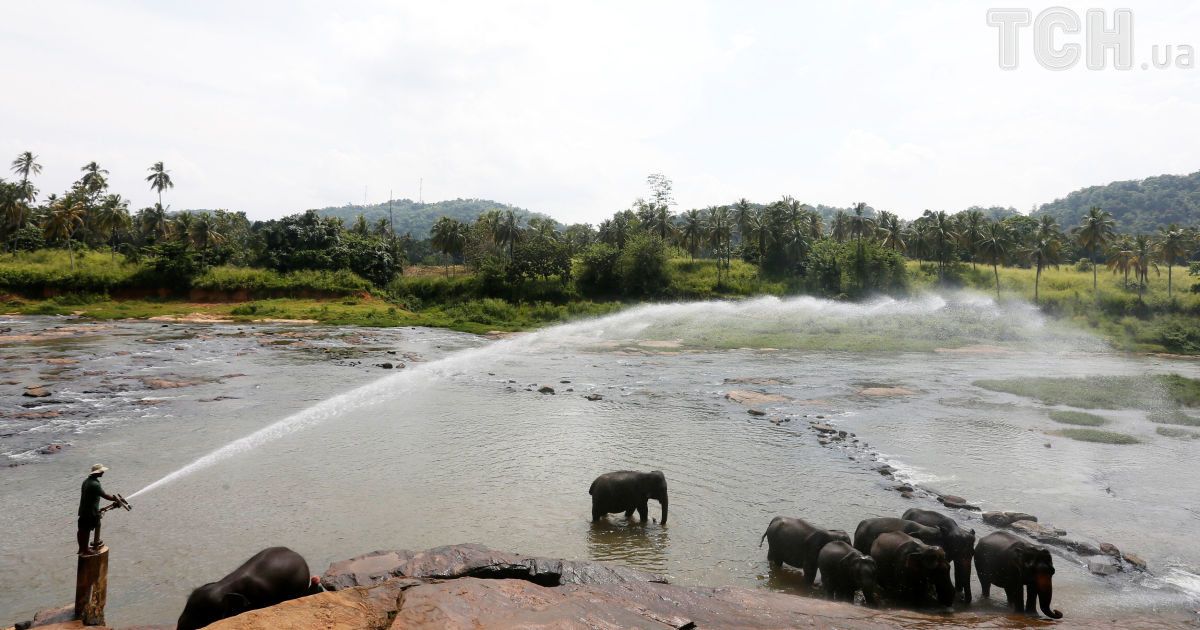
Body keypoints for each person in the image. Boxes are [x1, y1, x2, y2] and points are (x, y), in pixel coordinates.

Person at [78, 464, 117, 555]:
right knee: (88, 530)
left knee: (81, 530)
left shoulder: (86, 481)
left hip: (83, 510)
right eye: (101, 471)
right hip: (90, 511)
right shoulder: (94, 484)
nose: (103, 472)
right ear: (97, 473)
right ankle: (86, 550)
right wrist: (115, 499)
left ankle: (81, 548)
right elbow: (105, 495)